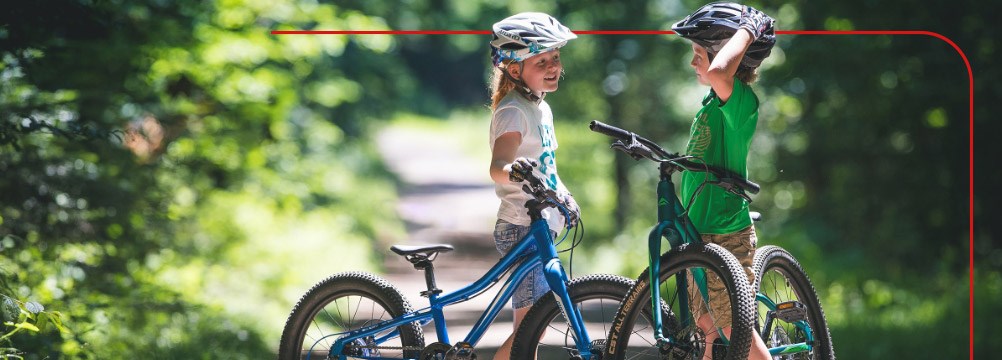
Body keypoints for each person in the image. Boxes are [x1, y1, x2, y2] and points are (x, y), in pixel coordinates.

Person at [671, 2, 776, 359]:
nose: (693, 62)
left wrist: (747, 29)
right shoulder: (710, 101)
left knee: (735, 327)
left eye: (699, 53)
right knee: (708, 327)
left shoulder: (742, 102)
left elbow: (719, 72)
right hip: (699, 229)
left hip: (725, 230)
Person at [486, 12, 580, 359]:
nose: (553, 66)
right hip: (521, 226)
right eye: (541, 61)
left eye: (555, 57)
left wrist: (564, 196)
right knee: (530, 329)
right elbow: (498, 167)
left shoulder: (540, 108)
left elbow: (547, 170)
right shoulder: (513, 111)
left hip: (539, 224)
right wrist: (515, 172)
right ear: (515, 69)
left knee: (533, 328)